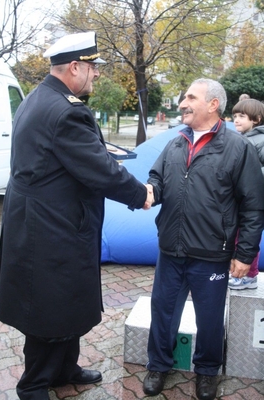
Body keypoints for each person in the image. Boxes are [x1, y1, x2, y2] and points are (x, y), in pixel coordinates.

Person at [0, 32, 153, 400]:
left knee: (65, 301)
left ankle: (64, 368)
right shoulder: (67, 111)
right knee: (48, 308)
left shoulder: (39, 96)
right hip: (53, 226)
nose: (96, 75)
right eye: (93, 68)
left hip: (45, 220)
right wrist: (140, 194)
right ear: (74, 67)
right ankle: (34, 384)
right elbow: (99, 169)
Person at [142, 78, 264, 400]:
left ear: (213, 104)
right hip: (171, 249)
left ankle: (207, 372)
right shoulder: (175, 142)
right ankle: (158, 365)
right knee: (163, 311)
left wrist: (245, 253)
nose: (183, 102)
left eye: (190, 97)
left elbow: (253, 206)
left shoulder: (239, 148)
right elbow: (157, 176)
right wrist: (152, 188)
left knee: (209, 319)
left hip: (212, 254)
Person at [229, 98, 264, 289]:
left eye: (242, 116)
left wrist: (254, 176)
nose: (236, 120)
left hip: (253, 201)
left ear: (256, 119)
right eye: (235, 116)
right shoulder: (243, 140)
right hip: (239, 200)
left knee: (247, 238)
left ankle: (248, 276)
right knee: (237, 237)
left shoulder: (260, 140)